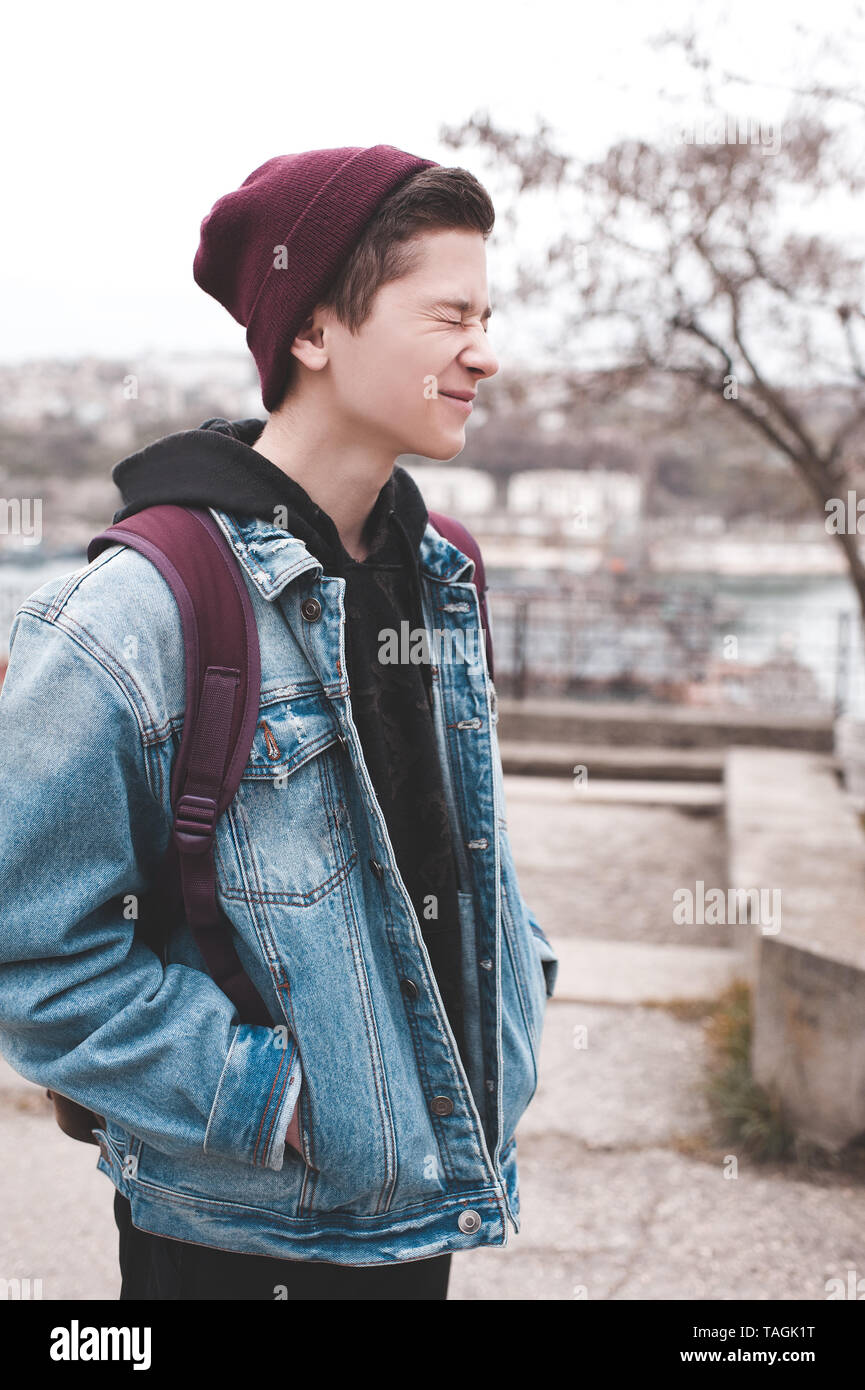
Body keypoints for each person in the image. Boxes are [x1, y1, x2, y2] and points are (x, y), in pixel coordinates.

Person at [0, 145, 559, 1300]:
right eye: (449, 314)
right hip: (238, 1241)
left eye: (487, 314)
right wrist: (275, 1102)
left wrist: (517, 999)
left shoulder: (442, 569)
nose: (485, 352)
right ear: (312, 331)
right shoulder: (145, 607)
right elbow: (29, 945)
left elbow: (457, 860)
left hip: (428, 1205)